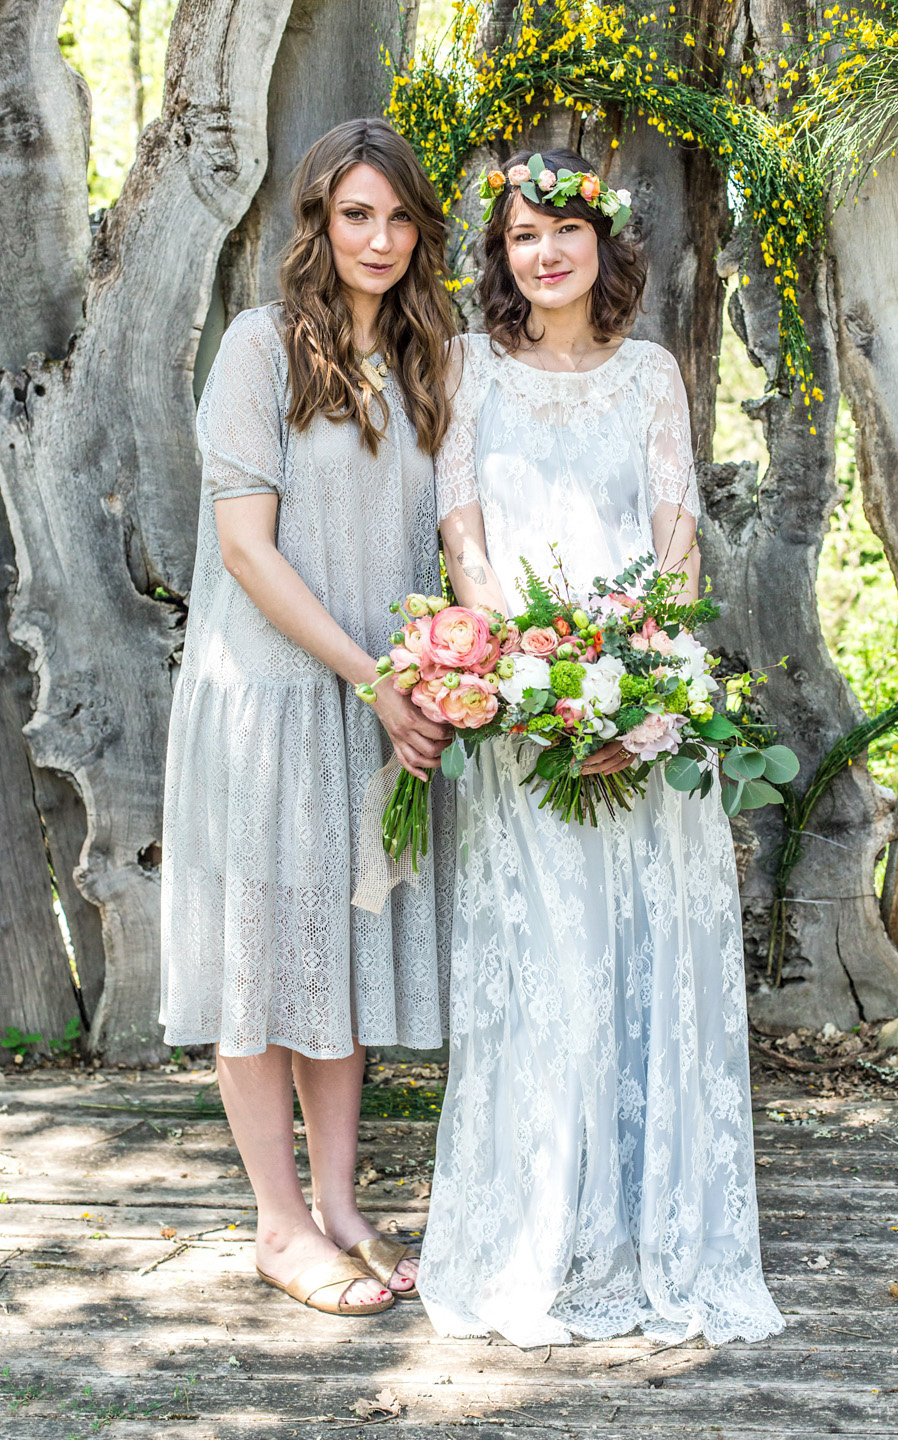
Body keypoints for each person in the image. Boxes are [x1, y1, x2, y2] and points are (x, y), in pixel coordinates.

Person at [416, 148, 785, 1348]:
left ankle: (646, 1224)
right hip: (526, 712)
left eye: (567, 230)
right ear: (504, 255)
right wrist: (520, 675)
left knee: (640, 956)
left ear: (607, 245)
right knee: (549, 966)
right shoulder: (471, 367)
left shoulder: (650, 374)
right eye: (524, 236)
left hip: (642, 706)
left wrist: (639, 683)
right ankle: (538, 1227)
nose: (547, 252)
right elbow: (461, 527)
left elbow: (676, 535)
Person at [159, 118, 456, 1316]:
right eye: (354, 215)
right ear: (317, 222)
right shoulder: (260, 347)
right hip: (275, 700)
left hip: (374, 707)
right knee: (265, 964)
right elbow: (247, 551)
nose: (378, 240)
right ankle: (279, 1225)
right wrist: (373, 676)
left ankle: (339, 1205)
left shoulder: (433, 361)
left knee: (338, 956)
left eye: (396, 217)